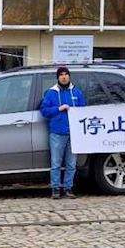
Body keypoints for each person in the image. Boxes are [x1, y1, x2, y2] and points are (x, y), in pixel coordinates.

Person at [40, 66, 86, 200]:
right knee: (56, 163)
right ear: (58, 77)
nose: (64, 77)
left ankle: (68, 188)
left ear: (69, 76)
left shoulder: (77, 92)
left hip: (74, 133)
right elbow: (44, 111)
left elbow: (84, 111)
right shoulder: (51, 93)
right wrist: (58, 109)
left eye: (66, 74)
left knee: (71, 164)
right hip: (57, 133)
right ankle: (55, 188)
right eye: (61, 75)